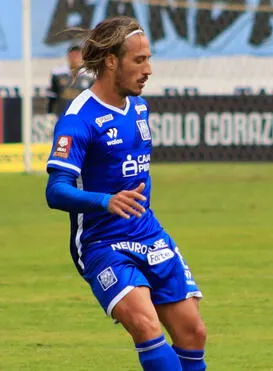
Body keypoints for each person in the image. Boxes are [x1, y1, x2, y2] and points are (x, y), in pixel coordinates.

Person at [45, 16, 207, 371]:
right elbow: (55, 191)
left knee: (193, 332)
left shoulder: (139, 107)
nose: (148, 69)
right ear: (111, 61)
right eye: (140, 60)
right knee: (147, 326)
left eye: (149, 59)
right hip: (103, 243)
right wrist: (105, 201)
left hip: (147, 231)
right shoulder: (78, 119)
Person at [47, 45, 95, 118]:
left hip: (82, 116)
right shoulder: (58, 73)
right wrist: (50, 113)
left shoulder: (90, 75)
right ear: (68, 56)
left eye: (77, 55)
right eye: (72, 55)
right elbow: (52, 95)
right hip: (62, 114)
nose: (75, 58)